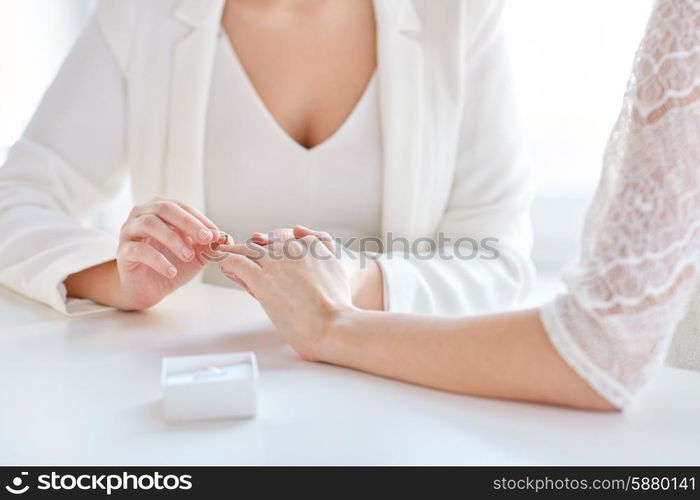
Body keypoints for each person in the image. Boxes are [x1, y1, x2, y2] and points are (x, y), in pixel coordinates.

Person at [217, 0, 700, 410]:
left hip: (389, 401)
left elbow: (582, 327)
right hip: (202, 373)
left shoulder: (459, 14)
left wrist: (343, 304)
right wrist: (137, 282)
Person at [0, 0, 533, 316]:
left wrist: (351, 283)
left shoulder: (456, 16)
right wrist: (123, 279)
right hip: (201, 384)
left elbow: (500, 259)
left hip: (398, 383)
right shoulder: (144, 15)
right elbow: (16, 202)